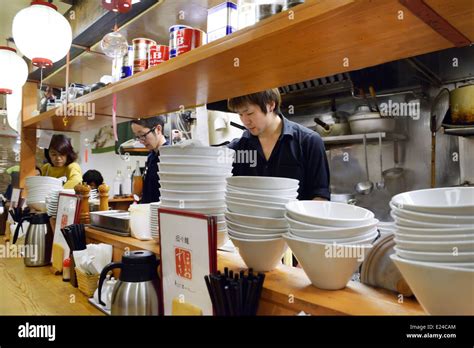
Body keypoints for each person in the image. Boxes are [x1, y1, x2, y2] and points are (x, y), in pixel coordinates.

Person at [227, 88, 330, 200]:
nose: (245, 121)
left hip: (295, 217)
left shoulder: (309, 141)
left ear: (271, 105)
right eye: (240, 114)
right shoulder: (237, 149)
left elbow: (320, 196)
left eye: (249, 113)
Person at [130, 116, 168, 203]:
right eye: (137, 137)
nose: (141, 141)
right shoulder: (151, 156)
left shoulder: (168, 155)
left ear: (158, 129)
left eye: (143, 135)